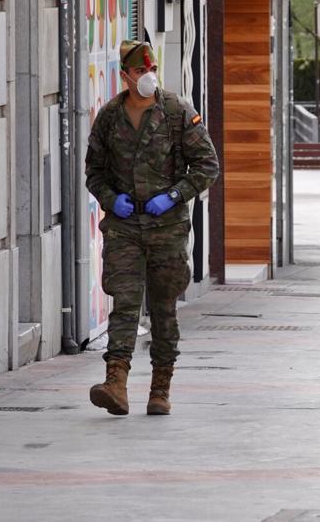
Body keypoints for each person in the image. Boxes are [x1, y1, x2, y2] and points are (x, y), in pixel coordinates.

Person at [85, 40, 219, 417]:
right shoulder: (109, 117)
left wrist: (175, 195)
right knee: (125, 303)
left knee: (163, 308)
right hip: (124, 227)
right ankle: (116, 382)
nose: (148, 76)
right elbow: (94, 172)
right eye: (140, 71)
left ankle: (160, 387)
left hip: (167, 228)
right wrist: (111, 200)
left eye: (152, 69)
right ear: (125, 76)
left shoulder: (177, 111)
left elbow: (207, 165)